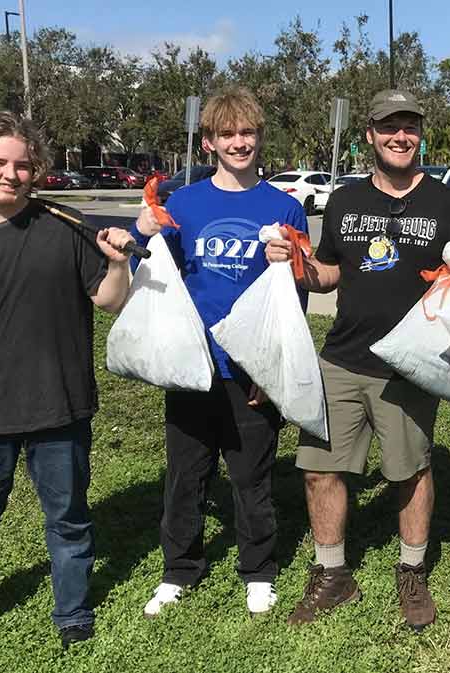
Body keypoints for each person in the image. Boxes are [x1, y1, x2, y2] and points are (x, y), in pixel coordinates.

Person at [265, 89, 450, 631]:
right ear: (369, 134)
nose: (400, 136)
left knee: (409, 472)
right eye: (389, 126)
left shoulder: (448, 204)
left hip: (410, 363)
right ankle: (333, 573)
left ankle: (412, 571)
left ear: (419, 135)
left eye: (410, 126)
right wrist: (297, 263)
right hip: (342, 358)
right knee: (320, 470)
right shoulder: (344, 201)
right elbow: (328, 274)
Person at [0, 111, 136, 662]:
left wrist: (116, 264)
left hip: (58, 406)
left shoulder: (64, 227)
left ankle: (73, 614)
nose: (10, 174)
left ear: (35, 168)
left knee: (67, 519)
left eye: (21, 164)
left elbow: (112, 300)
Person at [130, 87, 309, 619]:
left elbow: (294, 296)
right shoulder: (184, 204)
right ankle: (179, 569)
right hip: (193, 362)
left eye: (247, 132)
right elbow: (154, 271)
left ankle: (258, 570)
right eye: (227, 134)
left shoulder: (284, 207)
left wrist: (270, 366)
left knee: (251, 475)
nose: (239, 142)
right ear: (209, 142)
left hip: (250, 365)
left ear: (259, 137)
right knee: (186, 473)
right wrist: (139, 232)